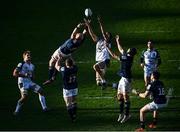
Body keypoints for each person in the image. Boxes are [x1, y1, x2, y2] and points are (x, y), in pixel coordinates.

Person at [105, 35, 137, 123]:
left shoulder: (127, 58)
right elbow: (121, 49)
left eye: (129, 49)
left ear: (130, 52)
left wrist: (107, 48)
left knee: (126, 97)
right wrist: (118, 41)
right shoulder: (127, 56)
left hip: (126, 79)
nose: (127, 49)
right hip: (123, 78)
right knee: (119, 96)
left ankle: (127, 115)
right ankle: (121, 113)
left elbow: (114, 55)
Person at [13, 50, 48, 115]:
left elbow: (32, 76)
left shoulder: (32, 65)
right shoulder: (21, 64)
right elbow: (15, 74)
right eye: (27, 55)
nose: (29, 56)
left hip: (29, 82)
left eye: (29, 55)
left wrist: (32, 77)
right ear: (24, 57)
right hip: (22, 82)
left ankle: (44, 108)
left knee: (41, 91)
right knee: (24, 97)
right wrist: (24, 75)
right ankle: (16, 110)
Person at [84, 17, 112, 88]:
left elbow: (103, 32)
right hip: (99, 60)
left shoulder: (108, 43)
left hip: (104, 61)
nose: (105, 35)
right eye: (105, 34)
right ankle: (114, 85)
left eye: (107, 34)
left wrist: (100, 22)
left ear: (109, 37)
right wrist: (88, 25)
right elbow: (92, 34)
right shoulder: (99, 41)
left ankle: (104, 80)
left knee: (95, 66)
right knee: (98, 83)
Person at [55, 58, 78, 122]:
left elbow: (56, 66)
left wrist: (59, 59)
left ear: (66, 64)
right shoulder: (75, 68)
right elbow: (74, 63)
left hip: (67, 88)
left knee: (68, 104)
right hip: (74, 87)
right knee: (74, 102)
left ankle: (72, 118)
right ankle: (74, 115)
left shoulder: (64, 70)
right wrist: (70, 56)